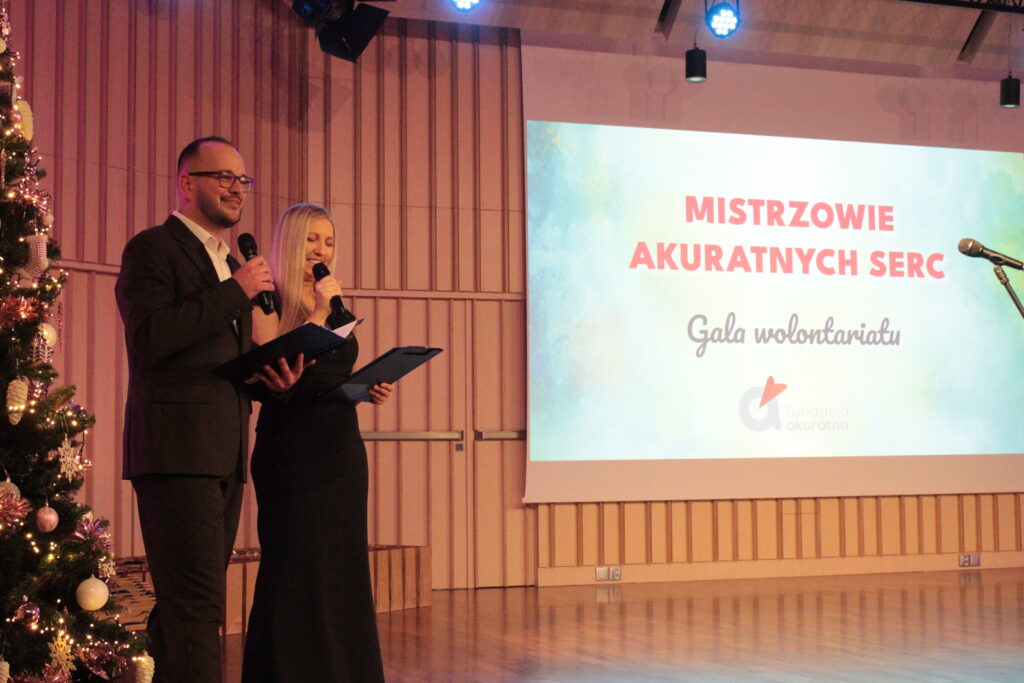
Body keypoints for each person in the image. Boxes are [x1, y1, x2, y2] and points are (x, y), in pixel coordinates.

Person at [115, 137, 307, 683]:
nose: (236, 188)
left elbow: (225, 364)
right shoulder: (152, 248)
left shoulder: (230, 263)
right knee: (198, 608)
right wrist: (235, 291)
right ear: (186, 183)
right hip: (177, 449)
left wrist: (274, 382)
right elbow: (151, 336)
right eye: (223, 176)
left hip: (223, 451)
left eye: (243, 180)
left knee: (185, 605)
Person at [242, 203, 392, 683]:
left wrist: (365, 387)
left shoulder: (333, 302)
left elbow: (329, 375)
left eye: (328, 242)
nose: (320, 250)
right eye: (311, 240)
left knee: (341, 570)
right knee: (296, 568)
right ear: (290, 242)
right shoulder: (267, 298)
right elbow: (273, 366)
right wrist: (319, 313)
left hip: (341, 449)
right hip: (292, 453)